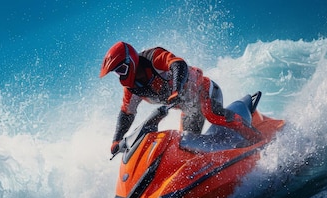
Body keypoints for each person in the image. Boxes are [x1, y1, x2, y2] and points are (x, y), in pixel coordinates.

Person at [99, 41, 262, 155]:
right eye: (117, 73)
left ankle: (258, 141)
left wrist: (176, 89)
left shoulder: (153, 57)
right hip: (190, 110)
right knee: (187, 146)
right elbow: (127, 113)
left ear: (131, 61)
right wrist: (116, 140)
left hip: (205, 91)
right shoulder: (132, 89)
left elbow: (178, 64)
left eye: (121, 69)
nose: (120, 76)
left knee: (212, 114)